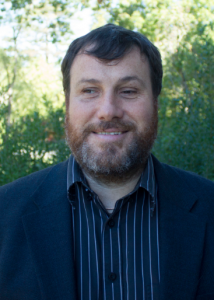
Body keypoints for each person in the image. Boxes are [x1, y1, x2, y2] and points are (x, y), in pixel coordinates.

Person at [0, 24, 214, 300]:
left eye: (128, 90)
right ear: (67, 106)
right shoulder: (4, 216)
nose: (108, 111)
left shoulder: (209, 208)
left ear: (156, 104)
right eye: (90, 91)